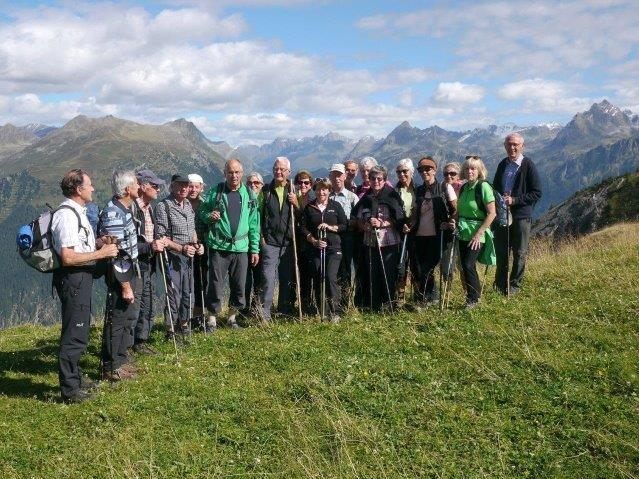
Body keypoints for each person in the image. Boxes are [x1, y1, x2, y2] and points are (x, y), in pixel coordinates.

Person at [51, 169, 118, 403]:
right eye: (89, 185)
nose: (92, 188)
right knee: (74, 333)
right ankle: (70, 390)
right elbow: (68, 257)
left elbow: (78, 246)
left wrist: (99, 243)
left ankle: (76, 379)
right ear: (79, 190)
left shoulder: (78, 212)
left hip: (81, 279)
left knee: (79, 330)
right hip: (74, 279)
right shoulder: (67, 216)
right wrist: (102, 253)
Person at [199, 159, 260, 329]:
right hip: (219, 246)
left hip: (241, 247)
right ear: (224, 173)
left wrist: (254, 249)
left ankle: (232, 318)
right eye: (230, 172)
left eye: (237, 172)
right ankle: (212, 319)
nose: (234, 176)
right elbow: (202, 211)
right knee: (216, 284)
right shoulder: (216, 192)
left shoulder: (249, 195)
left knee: (239, 284)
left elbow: (254, 224)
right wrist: (209, 216)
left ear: (242, 173)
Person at [98, 170, 144, 381]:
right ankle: (110, 366)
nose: (139, 186)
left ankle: (121, 360)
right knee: (116, 319)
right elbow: (117, 254)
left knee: (125, 317)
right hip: (120, 273)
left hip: (130, 269)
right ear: (127, 189)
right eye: (136, 184)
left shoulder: (125, 209)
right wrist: (125, 285)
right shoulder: (114, 213)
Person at [155, 174, 204, 341]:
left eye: (186, 185)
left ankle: (184, 324)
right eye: (180, 185)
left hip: (188, 256)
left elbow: (192, 230)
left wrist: (197, 244)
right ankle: (170, 330)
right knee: (173, 294)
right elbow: (161, 236)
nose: (184, 188)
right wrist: (181, 248)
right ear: (172, 187)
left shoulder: (188, 205)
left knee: (187, 292)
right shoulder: (164, 206)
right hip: (172, 257)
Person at [493, 133, 542, 295]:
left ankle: (514, 286)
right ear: (505, 146)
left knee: (520, 252)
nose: (512, 148)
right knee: (502, 252)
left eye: (515, 144)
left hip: (520, 216)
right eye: (509, 144)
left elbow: (536, 193)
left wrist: (515, 200)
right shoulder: (502, 164)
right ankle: (499, 286)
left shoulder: (528, 165)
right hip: (502, 216)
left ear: (522, 146)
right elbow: (495, 189)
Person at [352, 165, 405, 311]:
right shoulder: (366, 197)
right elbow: (357, 216)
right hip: (370, 242)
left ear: (384, 180)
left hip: (389, 241)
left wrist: (382, 223)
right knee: (372, 273)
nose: (376, 181)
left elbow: (399, 218)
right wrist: (364, 226)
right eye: (373, 178)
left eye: (379, 179)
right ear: (369, 179)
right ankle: (373, 304)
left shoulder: (391, 195)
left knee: (388, 273)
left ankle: (389, 303)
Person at [407, 156, 456, 306]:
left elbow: (455, 209)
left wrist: (450, 223)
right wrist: (410, 225)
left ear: (434, 170)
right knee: (421, 268)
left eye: (428, 169)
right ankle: (430, 297)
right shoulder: (419, 190)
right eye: (421, 169)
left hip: (438, 234)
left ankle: (426, 298)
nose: (424, 172)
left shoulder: (444, 187)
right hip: (420, 236)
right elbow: (416, 213)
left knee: (428, 268)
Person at [300, 178, 348, 322]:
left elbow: (344, 225)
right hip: (315, 248)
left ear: (329, 190)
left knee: (330, 276)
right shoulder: (309, 208)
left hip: (334, 248)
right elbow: (303, 227)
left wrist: (331, 227)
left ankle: (336, 312)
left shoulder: (336, 206)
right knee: (318, 276)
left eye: (324, 189)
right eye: (319, 189)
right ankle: (323, 311)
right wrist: (313, 240)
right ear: (315, 191)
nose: (321, 192)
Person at [131, 169, 166, 354]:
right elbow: (127, 244)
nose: (158, 190)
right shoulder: (133, 209)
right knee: (134, 305)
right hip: (136, 264)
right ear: (143, 186)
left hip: (150, 263)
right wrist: (150, 247)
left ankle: (141, 340)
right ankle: (127, 345)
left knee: (148, 301)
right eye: (155, 186)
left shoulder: (149, 207)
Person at [259, 156, 297, 322]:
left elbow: (304, 216)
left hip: (288, 243)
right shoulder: (266, 191)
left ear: (289, 172)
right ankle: (264, 316)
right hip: (270, 242)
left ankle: (283, 312)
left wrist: (297, 203)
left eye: (282, 169)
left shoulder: (295, 190)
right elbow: (257, 216)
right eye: (276, 169)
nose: (278, 172)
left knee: (286, 279)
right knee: (268, 280)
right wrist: (261, 238)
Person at [456, 156, 496, 308]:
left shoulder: (483, 187)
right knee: (465, 266)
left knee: (468, 264)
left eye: (473, 168)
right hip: (463, 231)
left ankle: (474, 298)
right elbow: (460, 211)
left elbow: (492, 213)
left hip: (477, 233)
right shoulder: (464, 188)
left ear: (479, 170)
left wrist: (479, 234)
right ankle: (471, 297)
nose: (469, 171)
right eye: (467, 168)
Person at [328, 163, 358, 308]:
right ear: (330, 177)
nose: (337, 178)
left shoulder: (352, 197)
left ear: (345, 176)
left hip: (347, 238)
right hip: (331, 239)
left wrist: (345, 224)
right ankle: (333, 302)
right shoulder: (326, 196)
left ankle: (345, 304)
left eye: (339, 175)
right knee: (332, 272)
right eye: (333, 175)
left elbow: (358, 219)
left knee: (345, 270)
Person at [290, 170, 315, 313]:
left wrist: (296, 206)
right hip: (299, 242)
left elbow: (307, 218)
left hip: (310, 242)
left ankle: (310, 304)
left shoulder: (312, 199)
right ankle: (304, 303)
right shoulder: (297, 196)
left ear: (311, 184)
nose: (303, 185)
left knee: (310, 274)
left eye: (306, 182)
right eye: (300, 182)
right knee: (302, 275)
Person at [394, 158, 417, 303]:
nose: (402, 174)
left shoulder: (419, 190)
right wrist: (400, 224)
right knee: (400, 266)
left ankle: (418, 297)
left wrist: (413, 223)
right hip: (399, 233)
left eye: (405, 171)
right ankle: (400, 299)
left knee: (416, 265)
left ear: (412, 172)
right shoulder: (394, 192)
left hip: (416, 233)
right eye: (399, 171)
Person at [188, 173, 208, 328]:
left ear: (201, 188)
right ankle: (184, 316)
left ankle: (198, 315)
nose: (193, 189)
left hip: (203, 248)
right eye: (190, 186)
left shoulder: (206, 204)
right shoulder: (181, 203)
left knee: (201, 282)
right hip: (183, 249)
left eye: (196, 186)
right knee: (186, 284)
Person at [243, 172, 265, 316]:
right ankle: (242, 308)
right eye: (250, 182)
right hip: (244, 243)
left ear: (262, 185)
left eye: (256, 183)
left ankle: (256, 307)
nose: (253, 185)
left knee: (260, 277)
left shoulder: (266, 199)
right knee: (244, 279)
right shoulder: (243, 198)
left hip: (262, 244)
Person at [440, 162, 464, 284]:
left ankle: (469, 293)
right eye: (446, 174)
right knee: (447, 264)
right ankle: (447, 292)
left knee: (463, 265)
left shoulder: (465, 188)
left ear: (459, 175)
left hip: (463, 230)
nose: (449, 176)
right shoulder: (441, 188)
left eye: (453, 173)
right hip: (448, 230)